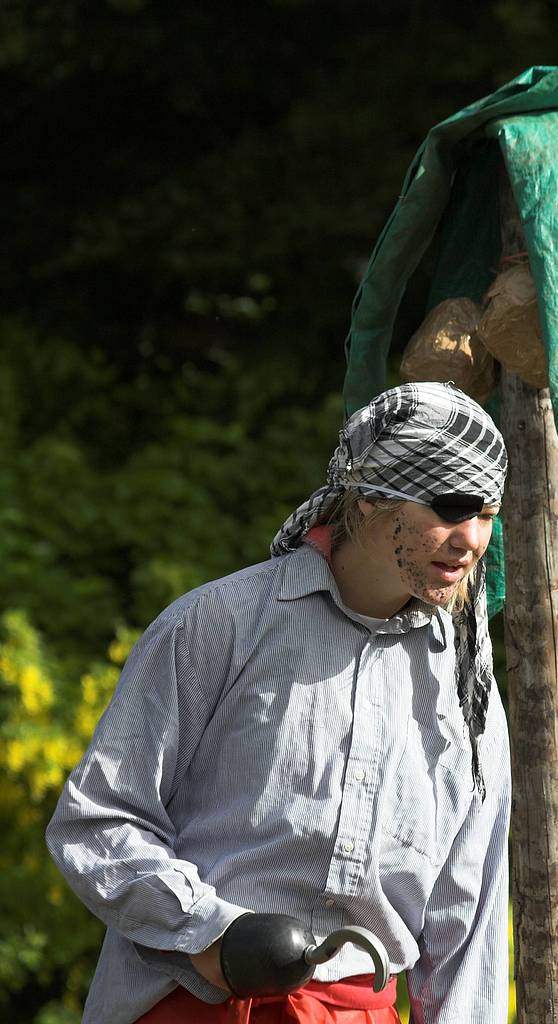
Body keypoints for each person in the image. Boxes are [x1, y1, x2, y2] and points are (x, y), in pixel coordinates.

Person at [46, 382, 511, 1024]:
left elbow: (467, 916)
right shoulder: (219, 625)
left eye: (487, 513)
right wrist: (210, 931)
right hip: (193, 1005)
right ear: (371, 497)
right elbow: (97, 819)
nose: (471, 539)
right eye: (452, 507)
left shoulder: (466, 689)